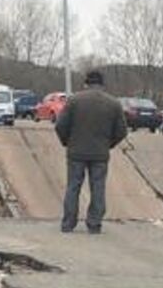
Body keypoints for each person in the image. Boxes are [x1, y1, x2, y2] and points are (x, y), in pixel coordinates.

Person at [53, 70, 129, 235]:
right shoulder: (114, 103)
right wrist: (108, 144)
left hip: (76, 152)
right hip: (100, 153)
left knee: (73, 187)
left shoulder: (74, 101)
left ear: (86, 83)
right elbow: (122, 131)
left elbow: (60, 125)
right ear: (102, 84)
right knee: (98, 188)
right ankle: (94, 224)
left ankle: (68, 223)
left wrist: (67, 142)